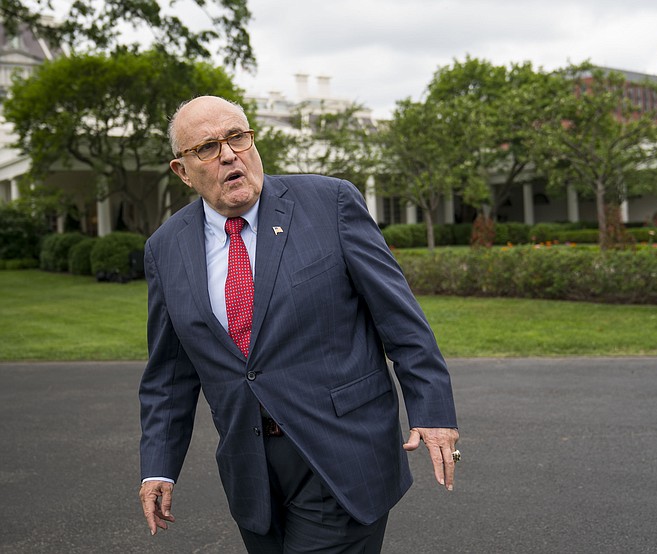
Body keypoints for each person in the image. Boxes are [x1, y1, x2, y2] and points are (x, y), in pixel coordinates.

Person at [138, 95, 460, 553]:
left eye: (237, 137)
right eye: (207, 147)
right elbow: (169, 376)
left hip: (341, 453)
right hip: (252, 472)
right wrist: (158, 466)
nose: (230, 154)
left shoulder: (330, 203)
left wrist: (433, 410)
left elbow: (401, 320)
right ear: (182, 171)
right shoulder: (165, 248)